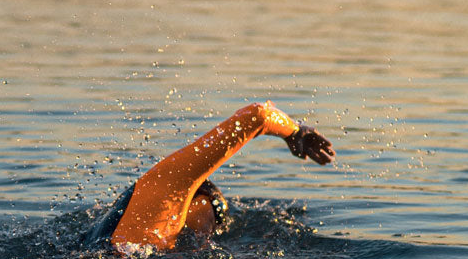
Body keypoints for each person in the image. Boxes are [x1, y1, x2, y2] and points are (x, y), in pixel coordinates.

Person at [82, 101, 336, 251]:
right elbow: (257, 116)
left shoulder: (160, 238)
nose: (207, 232)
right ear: (195, 198)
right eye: (215, 215)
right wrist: (295, 132)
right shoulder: (165, 189)